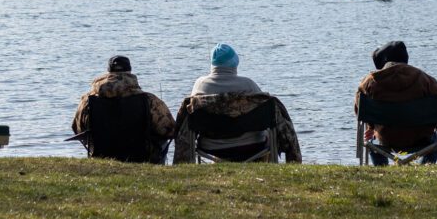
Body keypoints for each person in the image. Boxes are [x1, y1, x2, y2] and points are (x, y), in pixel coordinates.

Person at [173, 43, 301, 163]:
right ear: (235, 63)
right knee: (268, 132)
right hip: (251, 147)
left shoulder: (200, 85)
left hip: (211, 147)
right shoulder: (248, 85)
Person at [354, 40, 437, 165]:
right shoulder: (425, 79)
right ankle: (425, 168)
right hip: (419, 139)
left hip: (385, 139)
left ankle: (382, 169)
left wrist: (372, 126)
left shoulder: (370, 81)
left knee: (372, 138)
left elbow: (360, 109)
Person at [71, 55, 174, 163]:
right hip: (142, 158)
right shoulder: (149, 100)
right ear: (129, 72)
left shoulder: (87, 101)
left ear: (108, 73)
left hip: (101, 156)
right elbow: (170, 130)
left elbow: (77, 129)